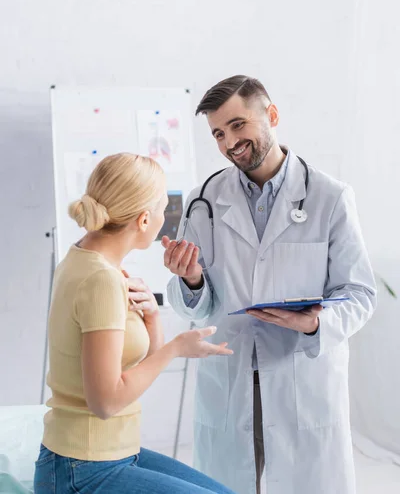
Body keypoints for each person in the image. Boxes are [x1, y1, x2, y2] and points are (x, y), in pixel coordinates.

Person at [163, 76, 377, 494]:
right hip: (231, 373)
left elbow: (360, 294)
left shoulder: (329, 197)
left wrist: (316, 324)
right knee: (228, 484)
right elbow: (191, 306)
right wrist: (190, 280)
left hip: (300, 373)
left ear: (272, 115)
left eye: (238, 125)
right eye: (219, 134)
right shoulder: (203, 199)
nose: (229, 142)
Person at [34, 152, 237, 494]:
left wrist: (153, 319)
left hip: (110, 454)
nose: (164, 216)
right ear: (144, 220)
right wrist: (175, 348)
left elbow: (134, 372)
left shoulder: (84, 259)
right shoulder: (101, 279)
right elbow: (106, 402)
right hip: (81, 468)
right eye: (162, 207)